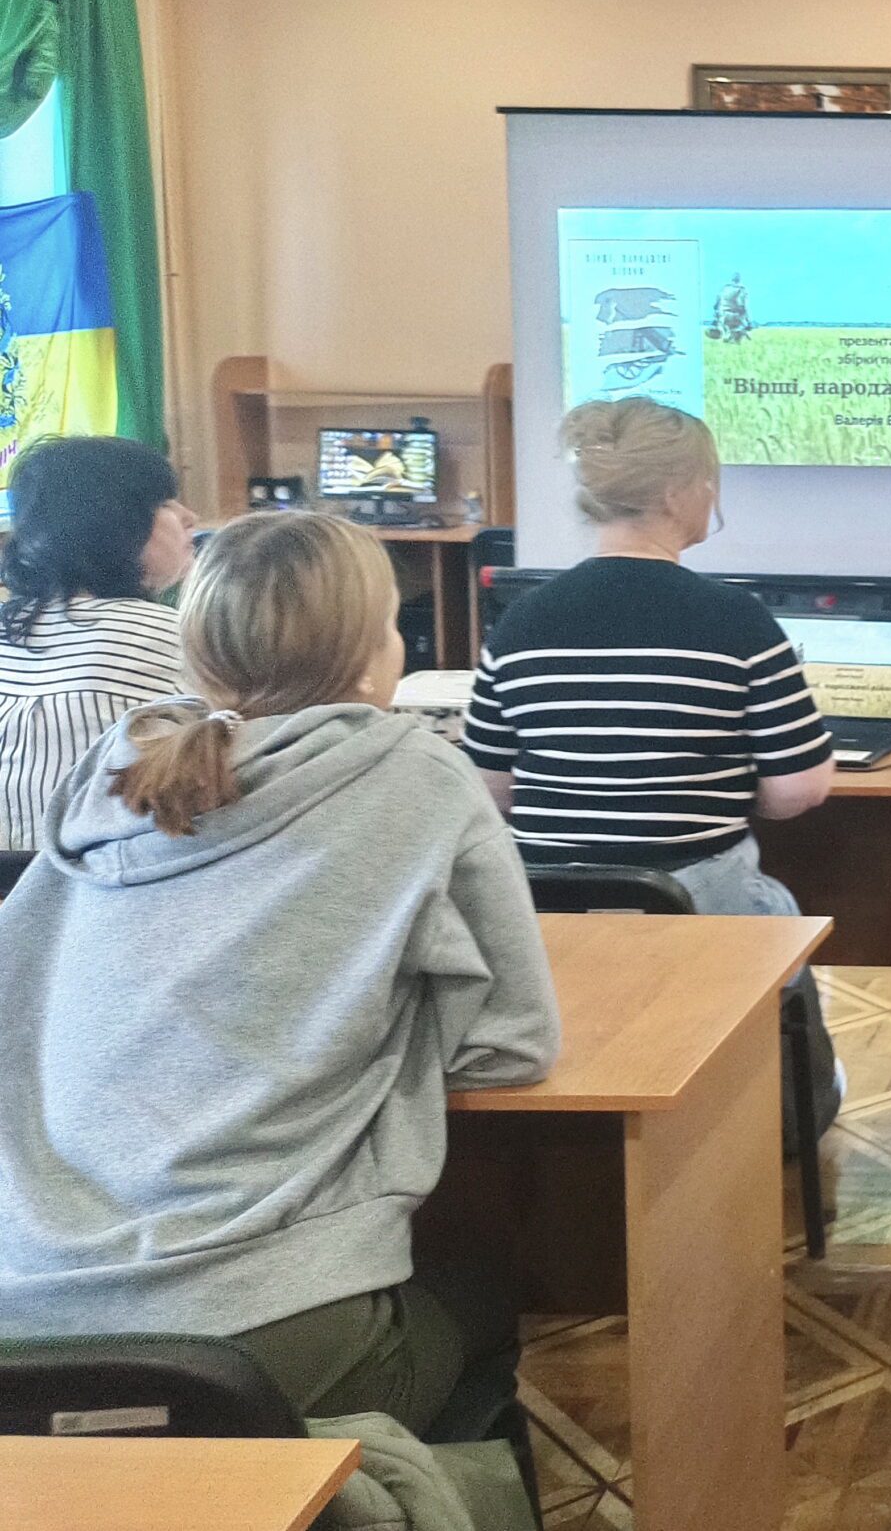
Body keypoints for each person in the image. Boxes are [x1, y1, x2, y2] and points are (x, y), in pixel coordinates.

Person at [0, 510, 561, 1437]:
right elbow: (513, 1043)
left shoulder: (115, 772)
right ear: (368, 657)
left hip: (25, 1338)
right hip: (256, 1336)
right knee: (485, 1283)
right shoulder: (417, 776)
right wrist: (369, 1040)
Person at [463, 397, 842, 1131]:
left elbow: (490, 788)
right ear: (675, 494)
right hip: (695, 904)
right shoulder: (736, 620)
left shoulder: (520, 622)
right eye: (709, 482)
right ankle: (789, 1120)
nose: (713, 497)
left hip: (542, 914)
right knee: (775, 916)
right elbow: (799, 787)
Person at [0, 434, 196, 845]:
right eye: (164, 503)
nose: (189, 517)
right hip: (101, 873)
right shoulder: (173, 637)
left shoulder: (10, 626)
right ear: (115, 525)